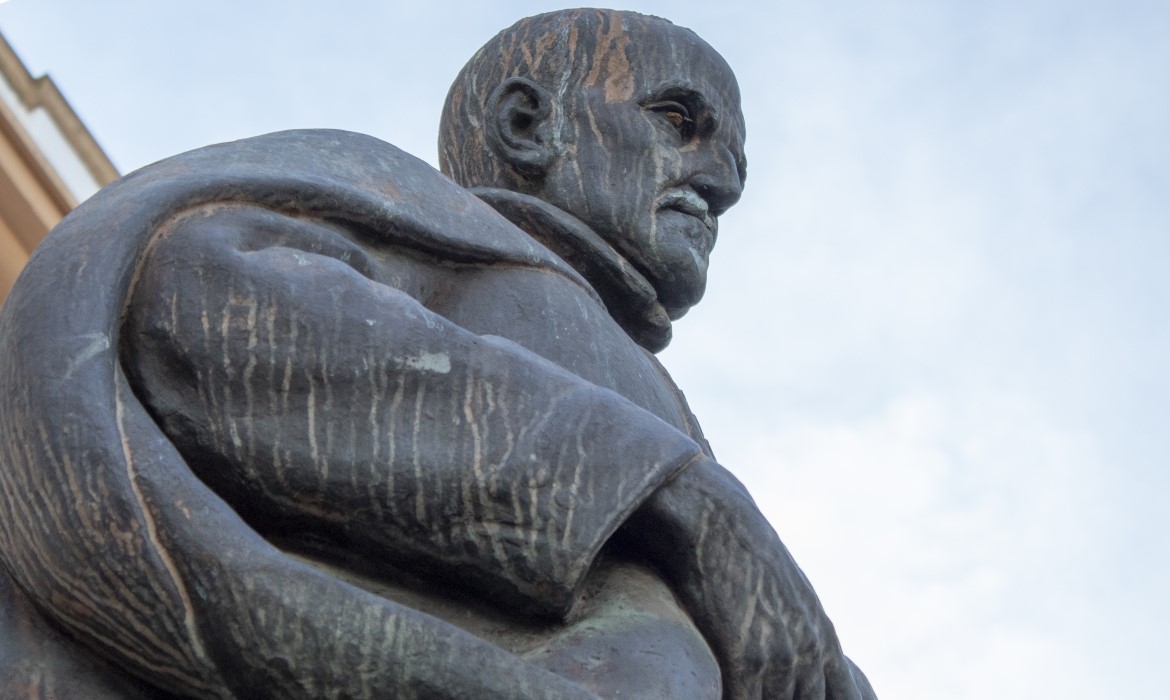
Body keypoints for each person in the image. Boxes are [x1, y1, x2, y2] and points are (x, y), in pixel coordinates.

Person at [0, 9, 875, 699]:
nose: (719, 179)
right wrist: (675, 498)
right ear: (528, 124)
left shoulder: (640, 374)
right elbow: (191, 293)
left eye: (733, 162)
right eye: (679, 120)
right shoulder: (381, 195)